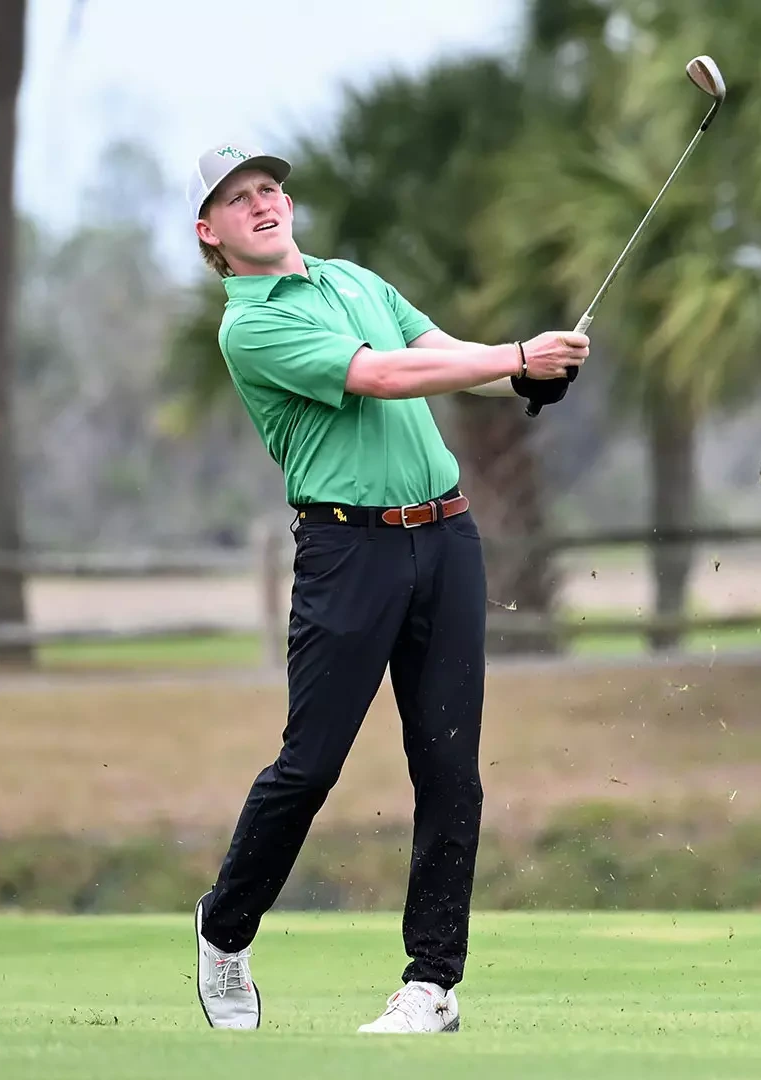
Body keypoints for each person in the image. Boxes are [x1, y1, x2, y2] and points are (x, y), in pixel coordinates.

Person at [184, 141, 590, 1034]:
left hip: (446, 538)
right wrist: (513, 354)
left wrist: (526, 370)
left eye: (269, 188)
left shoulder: (355, 280)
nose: (262, 203)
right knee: (310, 765)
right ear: (210, 233)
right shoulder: (250, 326)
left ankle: (432, 983)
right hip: (348, 553)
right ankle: (225, 927)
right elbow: (380, 375)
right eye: (237, 199)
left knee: (449, 767)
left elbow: (441, 354)